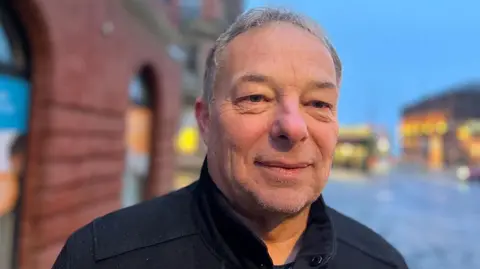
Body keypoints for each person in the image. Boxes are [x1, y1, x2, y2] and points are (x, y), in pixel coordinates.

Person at [53, 7, 408, 269]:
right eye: (256, 98)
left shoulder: (381, 264)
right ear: (205, 121)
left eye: (318, 103)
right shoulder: (101, 258)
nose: (293, 127)